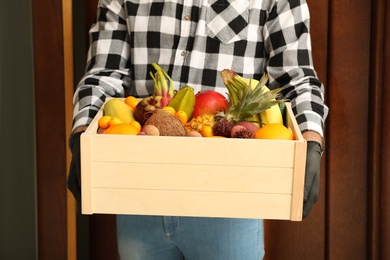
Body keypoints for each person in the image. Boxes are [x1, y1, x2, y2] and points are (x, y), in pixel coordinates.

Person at [68, 0, 328, 259]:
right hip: (138, 192)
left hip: (230, 199)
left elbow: (297, 79)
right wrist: (81, 133)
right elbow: (104, 73)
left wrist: (311, 141)